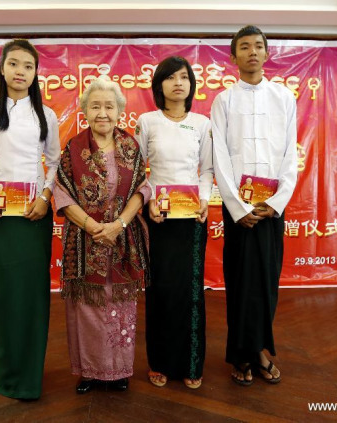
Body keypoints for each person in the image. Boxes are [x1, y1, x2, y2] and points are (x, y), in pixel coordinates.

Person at [0, 39, 61, 400]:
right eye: (14, 64)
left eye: (28, 66)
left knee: (33, 294)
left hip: (34, 215)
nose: (21, 72)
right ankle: (6, 376)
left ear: (36, 73)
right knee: (3, 296)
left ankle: (30, 376)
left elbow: (54, 164)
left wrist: (45, 197)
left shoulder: (46, 115)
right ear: (2, 69)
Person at [210, 25, 298, 386]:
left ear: (266, 53)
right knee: (240, 283)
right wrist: (238, 207)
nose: (251, 52)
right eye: (243, 47)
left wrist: (276, 204)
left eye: (257, 46)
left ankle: (260, 348)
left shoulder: (284, 98)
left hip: (270, 211)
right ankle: (242, 355)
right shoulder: (224, 101)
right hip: (240, 213)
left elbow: (290, 156)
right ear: (233, 57)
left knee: (266, 282)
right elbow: (220, 158)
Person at [55, 76, 151, 394]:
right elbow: (63, 194)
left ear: (119, 111)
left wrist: (118, 225)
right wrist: (92, 227)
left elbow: (141, 190)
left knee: (121, 308)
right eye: (95, 106)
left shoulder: (129, 146)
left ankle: (119, 371)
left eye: (109, 106)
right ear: (84, 111)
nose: (102, 113)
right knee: (87, 309)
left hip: (122, 242)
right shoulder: (74, 148)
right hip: (85, 242)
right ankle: (91, 372)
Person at [135, 56, 213, 389]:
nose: (178, 82)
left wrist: (206, 200)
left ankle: (192, 363)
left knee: (191, 291)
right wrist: (149, 201)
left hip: (192, 218)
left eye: (184, 77)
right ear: (160, 85)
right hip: (158, 217)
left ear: (191, 85)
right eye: (170, 77)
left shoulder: (202, 123)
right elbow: (138, 171)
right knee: (160, 291)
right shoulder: (147, 121)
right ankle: (161, 362)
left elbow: (207, 170)